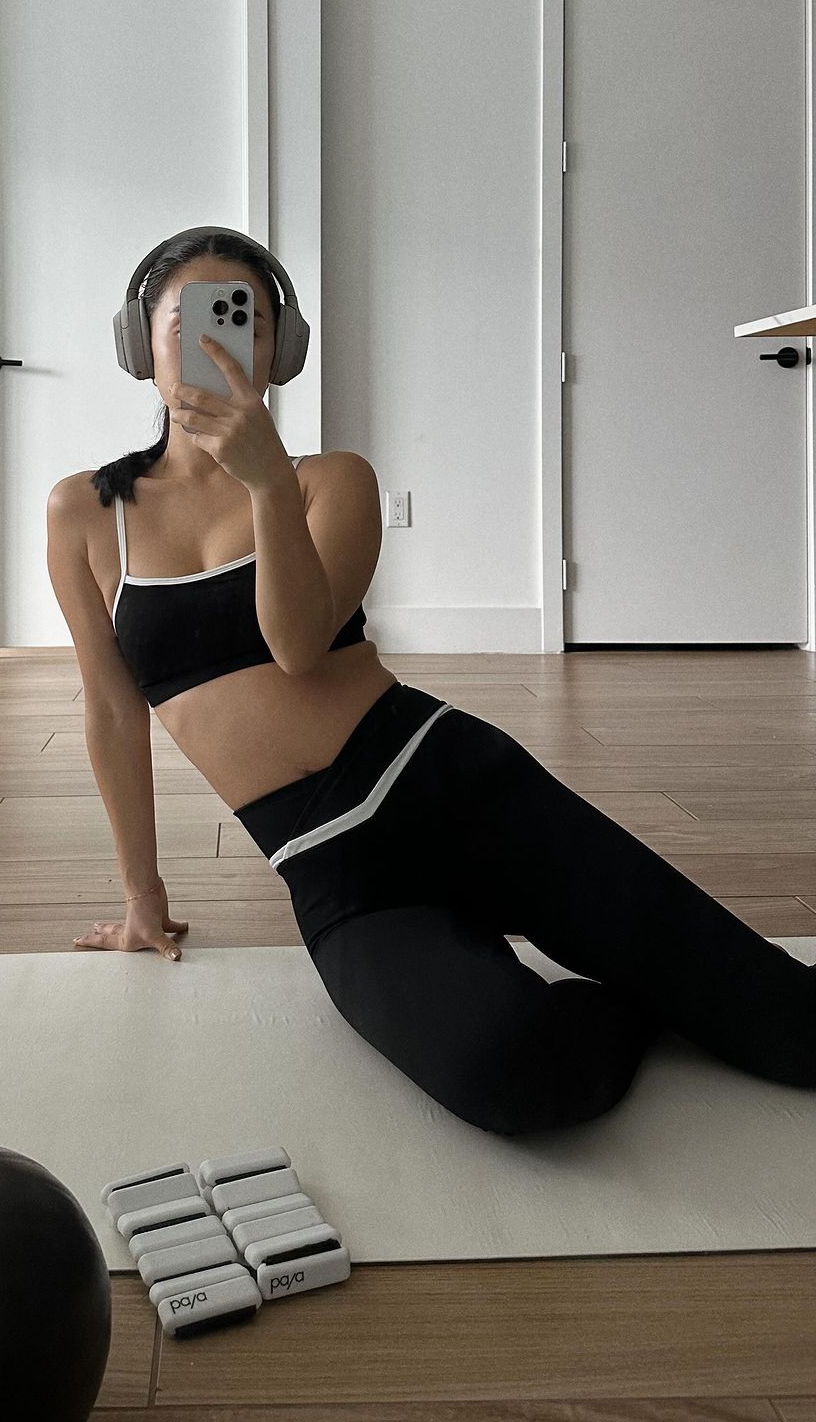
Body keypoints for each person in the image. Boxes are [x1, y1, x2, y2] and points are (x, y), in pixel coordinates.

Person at [47, 230, 816, 1137]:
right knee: (511, 1077)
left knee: (795, 1029)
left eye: (245, 320)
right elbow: (112, 713)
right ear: (140, 343)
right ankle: (627, 1001)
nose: (221, 342)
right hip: (337, 868)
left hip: (458, 787)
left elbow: (298, 646)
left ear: (281, 349)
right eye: (191, 320)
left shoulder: (331, 482)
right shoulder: (85, 512)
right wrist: (143, 898)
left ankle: (663, 974)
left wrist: (266, 485)